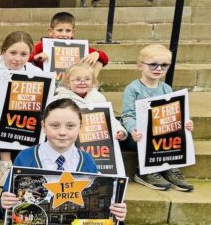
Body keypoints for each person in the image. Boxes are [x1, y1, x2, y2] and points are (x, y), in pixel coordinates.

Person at [119, 44, 194, 191]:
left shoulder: (166, 88)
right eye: (153, 64)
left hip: (159, 132)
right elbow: (127, 115)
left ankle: (169, 167)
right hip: (136, 134)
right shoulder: (133, 89)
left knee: (174, 132)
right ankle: (145, 171)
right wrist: (134, 129)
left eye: (164, 65)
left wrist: (185, 122)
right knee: (150, 135)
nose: (158, 69)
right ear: (140, 65)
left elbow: (174, 113)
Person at [0, 31, 42, 187]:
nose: (17, 58)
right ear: (3, 52)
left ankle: (29, 164)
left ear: (30, 54)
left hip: (28, 125)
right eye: (13, 53)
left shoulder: (37, 74)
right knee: (5, 113)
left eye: (23, 54)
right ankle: (5, 163)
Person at [29, 11, 109, 83]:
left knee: (99, 61)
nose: (64, 34)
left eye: (68, 31)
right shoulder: (43, 46)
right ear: (51, 32)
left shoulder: (77, 46)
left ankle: (91, 86)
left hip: (74, 82)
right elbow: (27, 56)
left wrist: (97, 54)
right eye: (60, 30)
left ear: (73, 33)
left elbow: (105, 58)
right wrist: (36, 57)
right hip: (48, 81)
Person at [53, 63, 127, 140]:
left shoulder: (98, 98)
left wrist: (119, 130)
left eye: (87, 79)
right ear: (68, 82)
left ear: (93, 82)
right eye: (77, 79)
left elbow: (109, 118)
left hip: (94, 141)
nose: (82, 82)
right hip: (68, 141)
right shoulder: (60, 99)